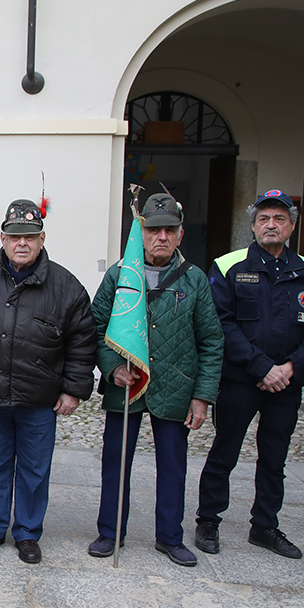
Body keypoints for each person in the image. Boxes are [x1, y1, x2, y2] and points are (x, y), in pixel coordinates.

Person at [0, 199, 96, 564]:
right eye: (15, 237)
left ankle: (28, 533)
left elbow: (82, 340)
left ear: (42, 238)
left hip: (39, 397)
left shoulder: (65, 286)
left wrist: (73, 389)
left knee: (34, 469)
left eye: (30, 237)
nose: (22, 244)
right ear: (2, 237)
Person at [87, 193, 223, 567]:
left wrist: (202, 396)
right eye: (153, 230)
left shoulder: (195, 280)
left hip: (176, 385)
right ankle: (110, 531)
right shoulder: (119, 274)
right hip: (126, 385)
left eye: (169, 230)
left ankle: (170, 536)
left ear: (180, 235)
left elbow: (211, 341)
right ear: (141, 233)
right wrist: (112, 366)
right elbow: (96, 327)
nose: (161, 237)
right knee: (115, 460)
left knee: (174, 464)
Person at [195, 189, 304, 559]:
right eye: (264, 219)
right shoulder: (228, 266)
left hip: (286, 385)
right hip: (241, 381)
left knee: (275, 458)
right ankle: (208, 520)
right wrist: (262, 367)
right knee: (225, 452)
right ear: (253, 225)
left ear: (291, 225)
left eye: (280, 219)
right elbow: (221, 324)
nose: (271, 225)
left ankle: (265, 526)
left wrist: (290, 368)